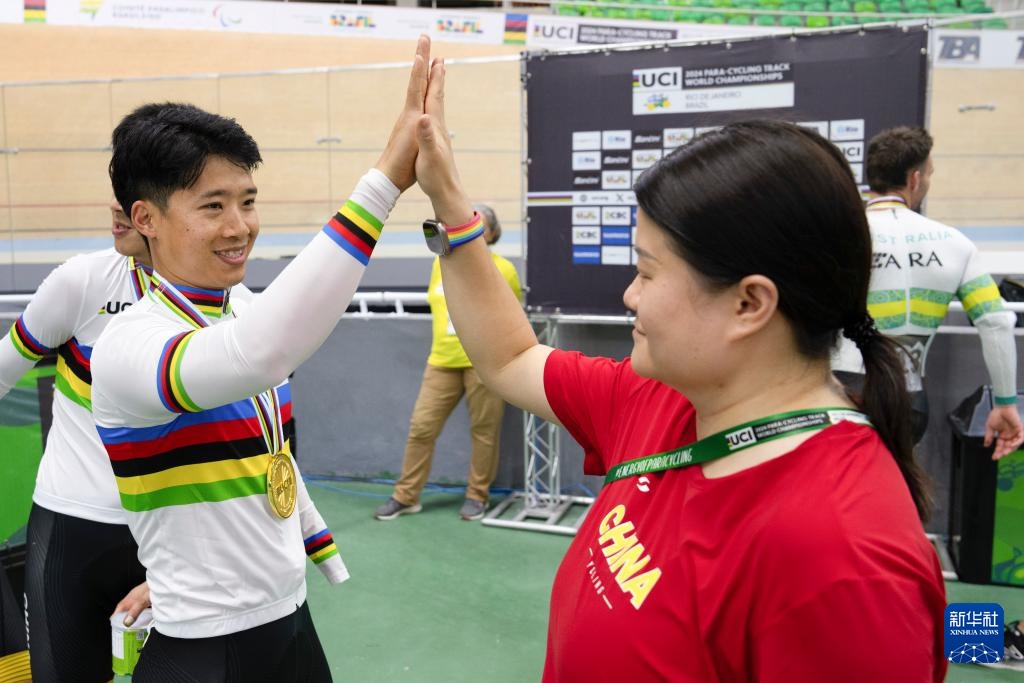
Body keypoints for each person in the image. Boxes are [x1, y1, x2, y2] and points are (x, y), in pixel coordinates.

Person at [412, 58, 946, 680]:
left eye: (646, 271)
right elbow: (510, 359)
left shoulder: (847, 564)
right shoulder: (662, 396)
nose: (629, 296)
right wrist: (448, 200)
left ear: (749, 304)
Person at [90, 37, 431, 680]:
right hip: (203, 646)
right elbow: (264, 352)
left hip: (290, 620)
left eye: (247, 201)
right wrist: (384, 182)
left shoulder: (241, 309)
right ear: (146, 219)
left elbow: (269, 455)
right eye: (212, 206)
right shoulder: (128, 345)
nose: (239, 226)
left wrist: (314, 548)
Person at [0, 197, 152, 682]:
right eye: (116, 189)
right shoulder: (81, 281)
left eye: (133, 191)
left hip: (173, 535)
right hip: (70, 527)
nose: (116, 207)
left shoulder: (233, 302)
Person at [833, 126, 1022, 457]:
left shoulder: (839, 234)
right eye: (930, 174)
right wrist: (1005, 403)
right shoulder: (955, 243)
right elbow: (996, 323)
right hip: (908, 399)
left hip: (840, 391)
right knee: (899, 485)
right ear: (915, 179)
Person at [375, 205, 521, 522]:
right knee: (421, 428)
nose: (471, 231)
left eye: (480, 227)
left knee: (484, 433)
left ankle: (477, 496)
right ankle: (405, 496)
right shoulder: (440, 264)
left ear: (491, 234)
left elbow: (513, 318)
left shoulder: (504, 269)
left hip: (484, 363)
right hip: (442, 360)